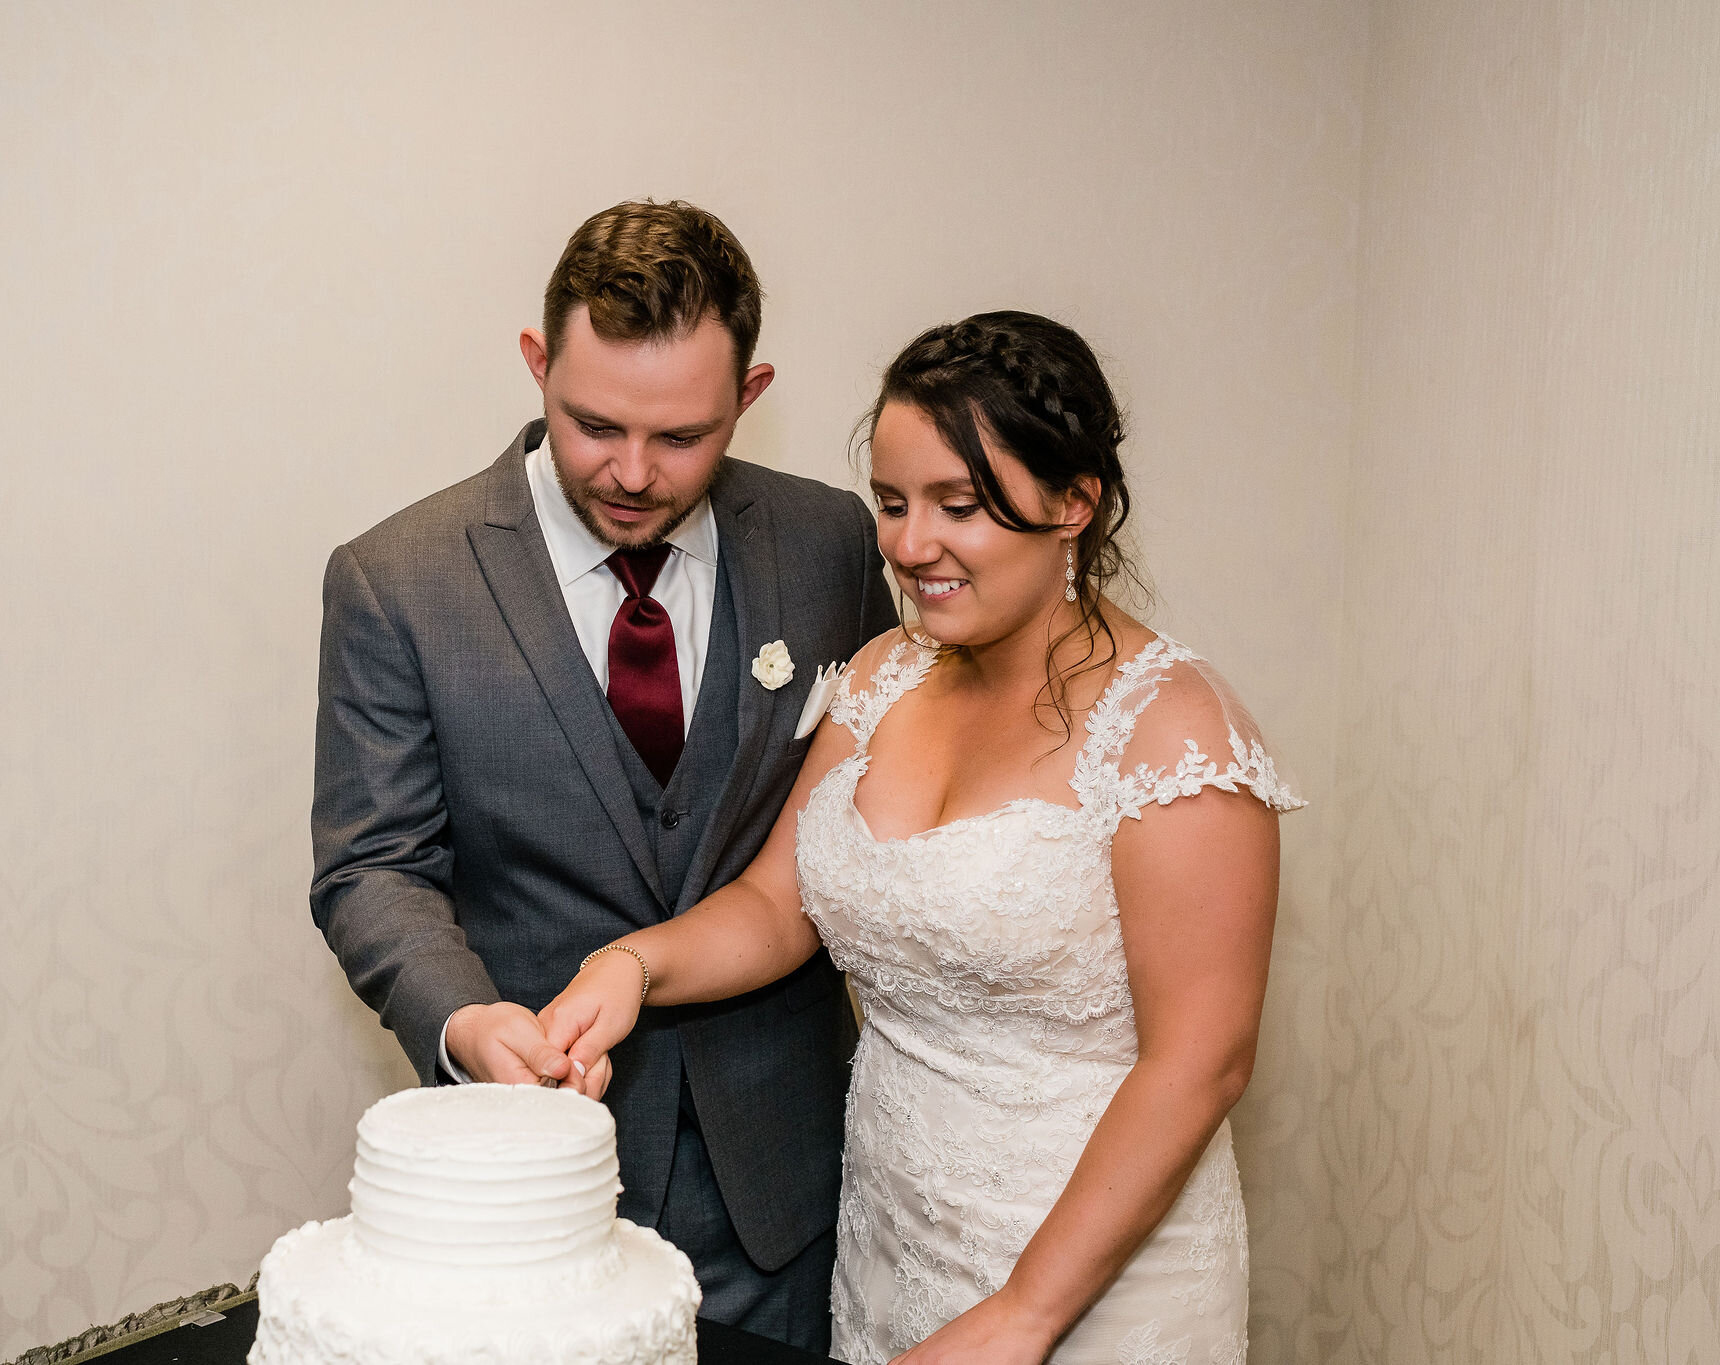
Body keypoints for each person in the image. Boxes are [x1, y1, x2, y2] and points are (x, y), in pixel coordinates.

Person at [541, 311, 1305, 1364]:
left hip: (1092, 1274)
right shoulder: (880, 677)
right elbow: (776, 906)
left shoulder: (1171, 729)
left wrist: (1023, 1315)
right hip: (891, 1241)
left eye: (959, 507)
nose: (908, 547)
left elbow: (1200, 1062)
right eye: (892, 504)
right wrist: (631, 965)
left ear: (1073, 502)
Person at [309, 199, 900, 1352]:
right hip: (533, 1194)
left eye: (682, 437)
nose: (631, 473)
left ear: (751, 395)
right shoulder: (397, 582)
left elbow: (864, 818)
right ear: (537, 366)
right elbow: (372, 868)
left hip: (785, 1179)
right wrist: (467, 1022)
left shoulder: (830, 546)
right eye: (592, 424)